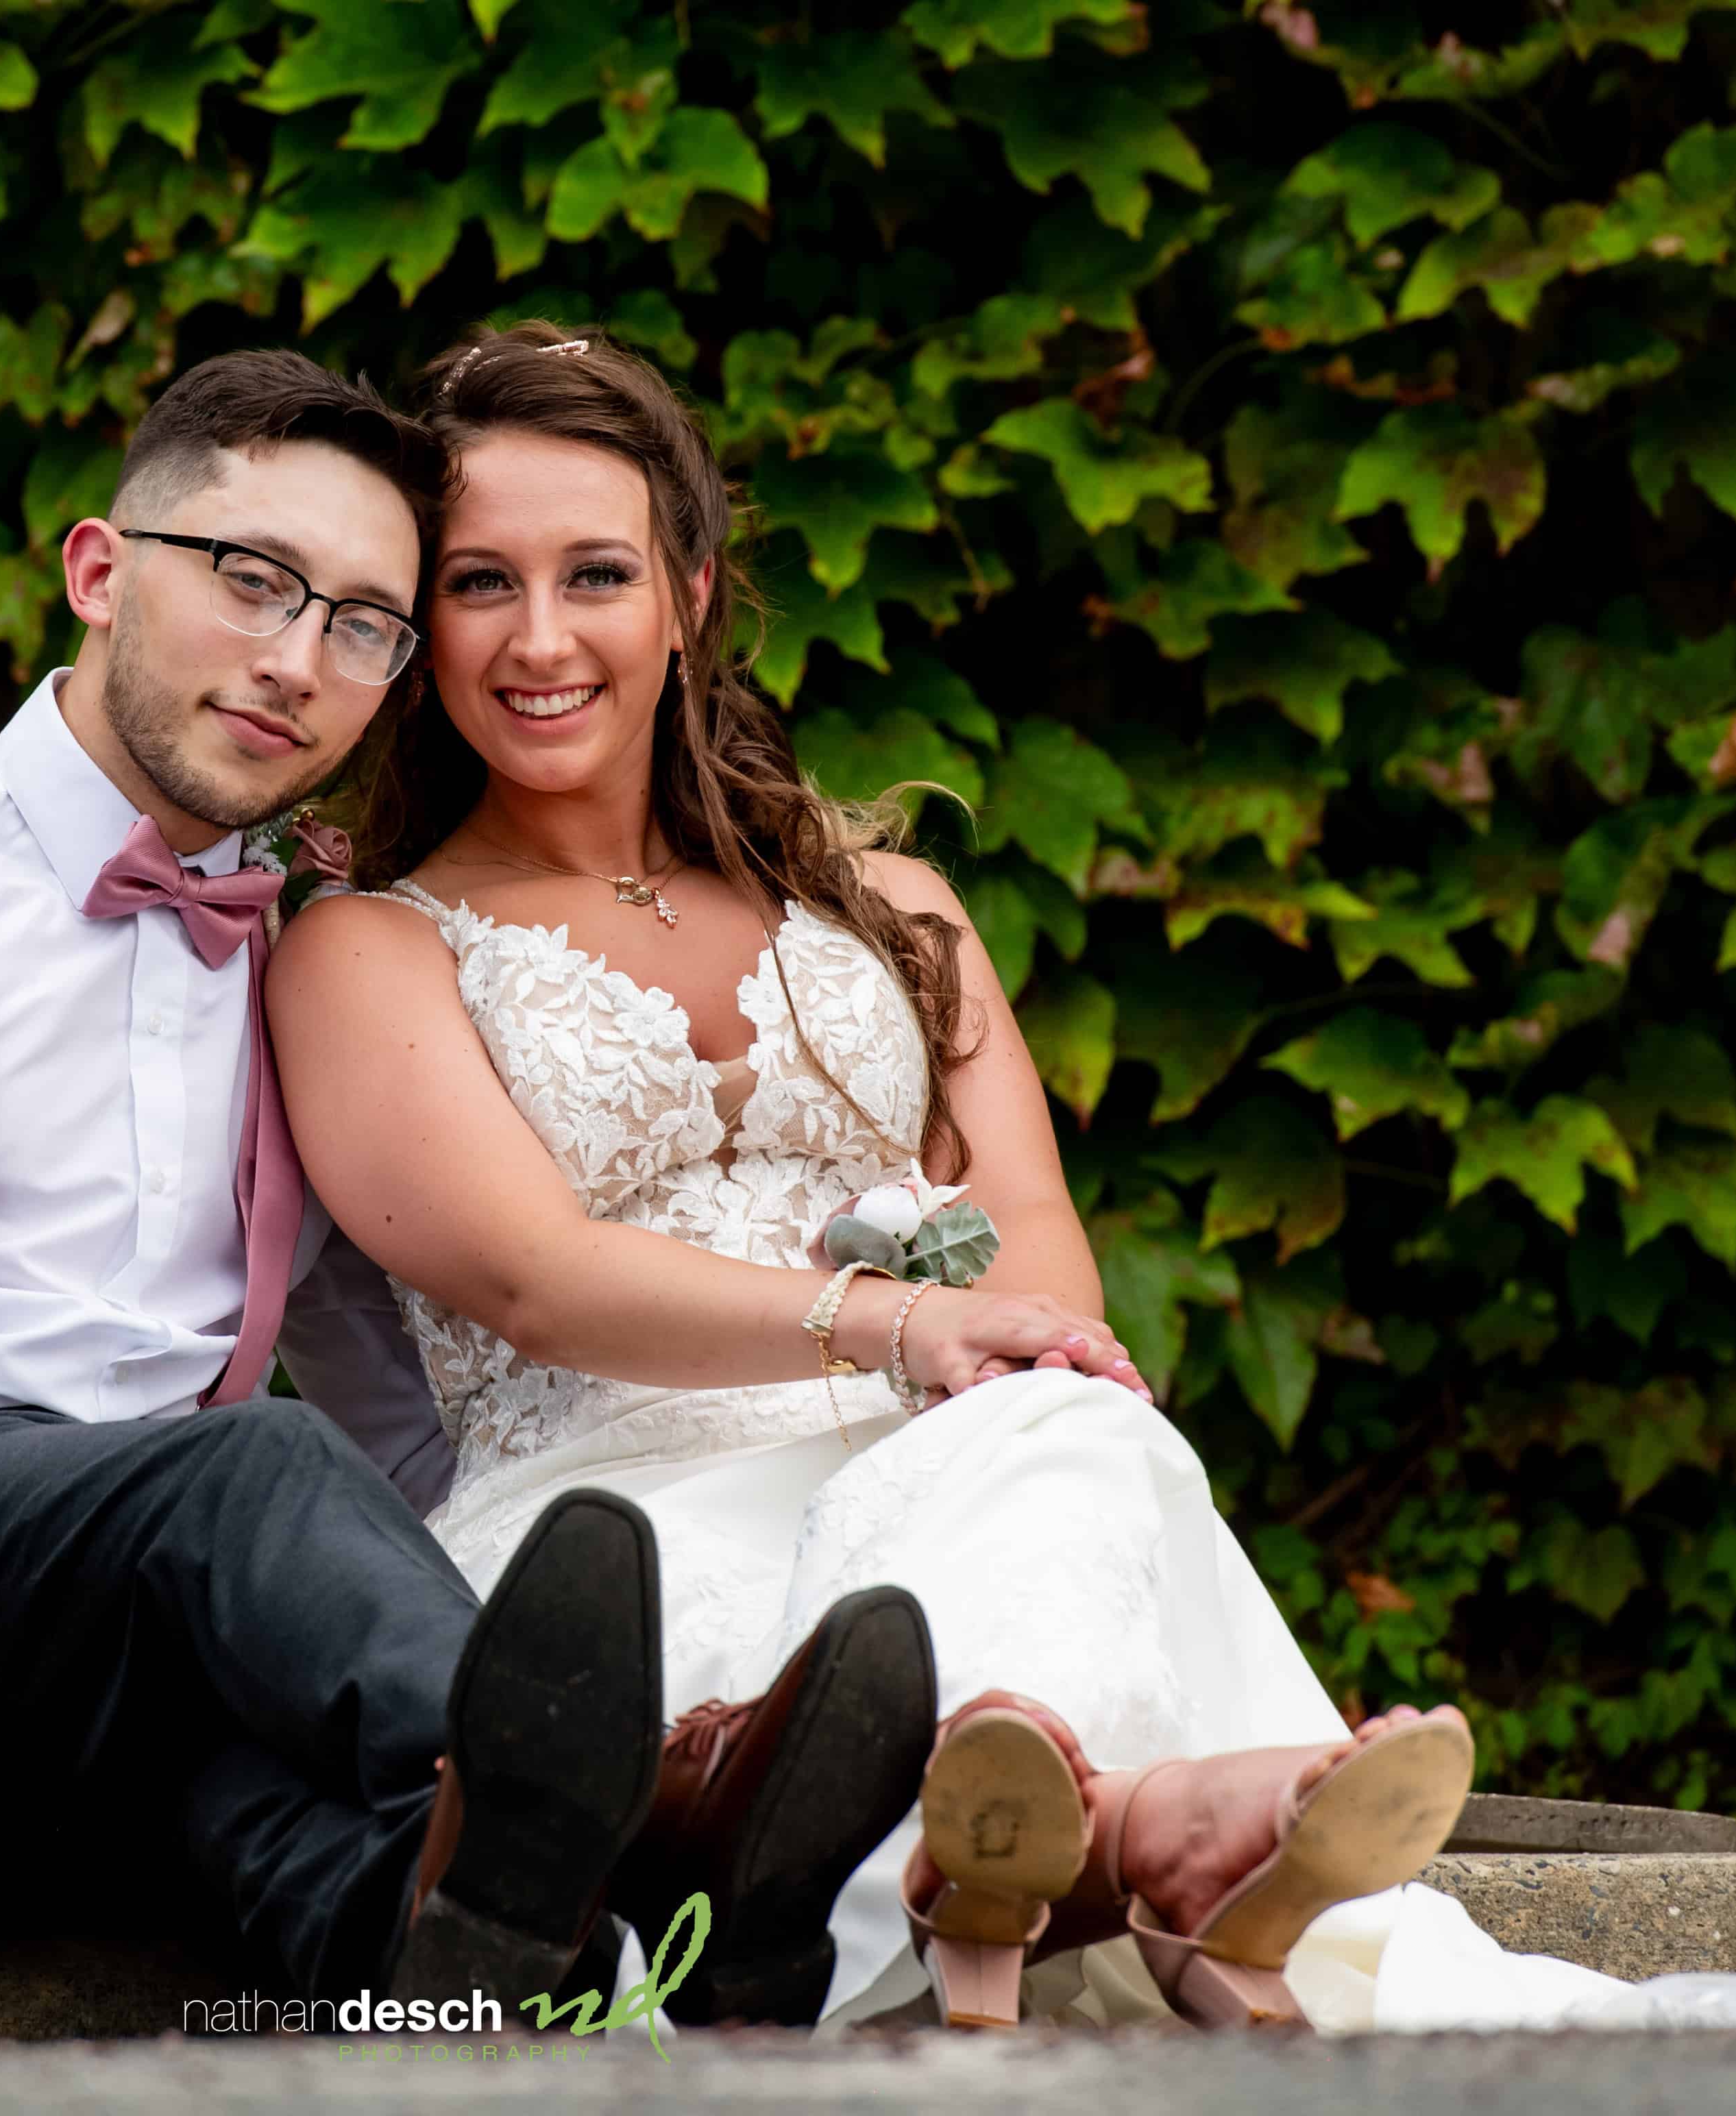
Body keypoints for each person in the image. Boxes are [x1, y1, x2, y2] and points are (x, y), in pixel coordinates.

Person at [0, 347, 958, 2019]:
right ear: (98, 571)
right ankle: (663, 1806)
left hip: (142, 1696)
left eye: (366, 623)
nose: (298, 661)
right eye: (253, 583)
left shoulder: (314, 973)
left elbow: (399, 1420)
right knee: (240, 1469)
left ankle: (634, 1977)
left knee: (341, 1850)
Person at [265, 323, 1480, 2033]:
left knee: (1071, 1416)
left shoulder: (888, 901)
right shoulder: (364, 950)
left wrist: (964, 1355)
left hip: (970, 1482)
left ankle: (998, 1836)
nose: (539, 639)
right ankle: (1149, 1845)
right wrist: (891, 1322)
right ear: (419, 623)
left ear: (688, 591)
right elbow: (529, 1271)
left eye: (595, 572)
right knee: (1037, 1435)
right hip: (622, 1528)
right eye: (479, 584)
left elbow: (1041, 1264)